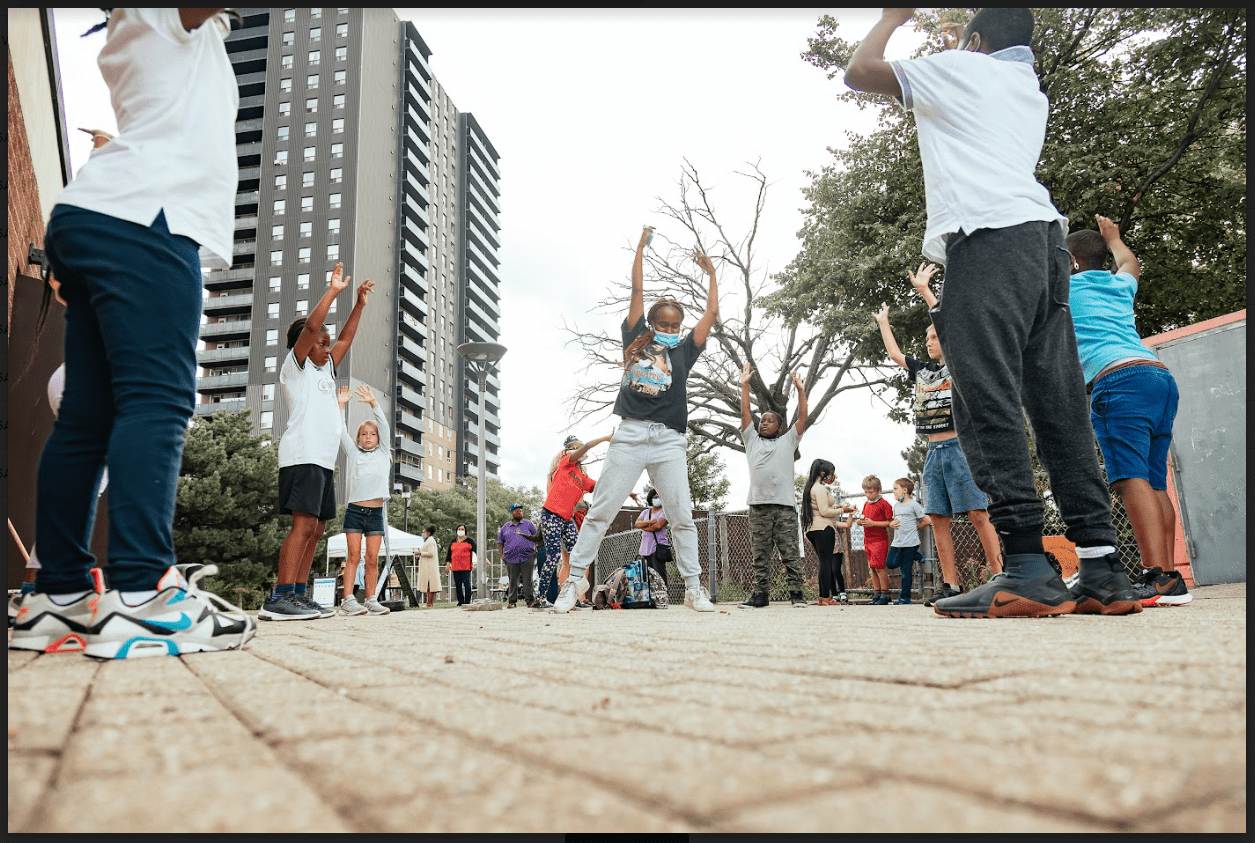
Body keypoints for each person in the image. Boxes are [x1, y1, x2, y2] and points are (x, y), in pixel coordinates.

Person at [844, 8, 1139, 617]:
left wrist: (892, 17)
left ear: (976, 43)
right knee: (1058, 401)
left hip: (987, 240)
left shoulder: (963, 70)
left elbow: (859, 70)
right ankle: (1103, 566)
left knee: (984, 398)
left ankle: (1028, 566)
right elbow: (982, 67)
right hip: (1044, 244)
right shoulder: (1026, 89)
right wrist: (965, 43)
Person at [11, 9, 258, 658]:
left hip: (96, 215)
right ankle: (145, 595)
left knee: (87, 420)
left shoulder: (146, 24)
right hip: (147, 216)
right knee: (157, 401)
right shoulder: (161, 13)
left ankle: (55, 598)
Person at [552, 226, 721, 614]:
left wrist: (710, 274)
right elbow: (637, 293)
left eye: (676, 325)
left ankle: (694, 588)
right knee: (600, 511)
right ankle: (574, 582)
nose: (670, 329)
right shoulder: (635, 339)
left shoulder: (684, 351)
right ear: (651, 324)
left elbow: (711, 314)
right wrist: (641, 250)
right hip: (628, 435)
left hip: (669, 441)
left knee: (681, 515)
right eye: (663, 324)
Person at [1067, 215, 1190, 607]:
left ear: (1070, 262)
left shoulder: (1064, 289)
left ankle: (1155, 576)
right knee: (1154, 481)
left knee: (1129, 478)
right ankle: (1170, 579)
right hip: (1158, 378)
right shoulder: (1117, 285)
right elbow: (1130, 263)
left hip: (1117, 381)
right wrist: (1114, 238)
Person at [875, 263, 1004, 605]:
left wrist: (924, 290)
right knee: (938, 519)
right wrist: (884, 323)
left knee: (978, 513)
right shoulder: (923, 371)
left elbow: (947, 324)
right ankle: (952, 584)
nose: (930, 341)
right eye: (928, 338)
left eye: (935, 336)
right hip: (934, 454)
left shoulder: (959, 364)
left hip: (961, 448)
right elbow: (893, 354)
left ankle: (1000, 575)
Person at [259, 262, 374, 621]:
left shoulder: (325, 367)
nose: (327, 348)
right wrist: (333, 292)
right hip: (301, 455)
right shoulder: (295, 368)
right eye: (320, 344)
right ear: (304, 346)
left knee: (318, 528)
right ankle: (278, 597)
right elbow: (311, 327)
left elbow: (345, 339)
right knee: (303, 525)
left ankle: (296, 594)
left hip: (323, 461)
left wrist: (358, 304)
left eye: (327, 345)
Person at [738, 364, 810, 609]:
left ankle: (797, 593)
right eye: (762, 421)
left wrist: (801, 391)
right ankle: (761, 595)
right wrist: (745, 385)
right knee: (761, 555)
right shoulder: (751, 440)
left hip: (784, 507)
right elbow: (745, 413)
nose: (764, 423)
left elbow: (802, 418)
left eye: (770, 421)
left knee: (789, 552)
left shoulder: (788, 441)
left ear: (780, 427)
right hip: (758, 507)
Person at [335, 384, 392, 617]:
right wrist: (340, 406)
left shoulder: (382, 452)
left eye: (372, 434)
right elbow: (340, 431)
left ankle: (371, 599)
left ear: (378, 438)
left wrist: (373, 403)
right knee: (353, 556)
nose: (368, 437)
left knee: (371, 559)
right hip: (355, 511)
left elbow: (385, 426)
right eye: (364, 434)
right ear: (359, 438)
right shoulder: (354, 452)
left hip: (376, 513)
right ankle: (348, 601)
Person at [537, 434, 609, 609]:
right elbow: (584, 449)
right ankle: (540, 598)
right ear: (567, 451)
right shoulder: (564, 464)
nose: (580, 450)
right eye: (575, 448)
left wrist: (625, 486)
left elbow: (599, 485)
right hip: (552, 515)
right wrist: (605, 438)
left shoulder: (580, 475)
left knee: (577, 558)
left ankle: (573, 597)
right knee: (553, 556)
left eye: (580, 447)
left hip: (567, 519)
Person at [801, 460, 856, 605]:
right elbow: (824, 511)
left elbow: (823, 506)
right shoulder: (819, 488)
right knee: (825, 564)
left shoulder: (812, 487)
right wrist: (842, 510)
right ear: (823, 473)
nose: (833, 476)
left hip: (813, 529)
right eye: (831, 473)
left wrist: (839, 506)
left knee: (823, 563)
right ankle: (825, 597)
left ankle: (823, 597)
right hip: (823, 528)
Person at [887, 478, 931, 604]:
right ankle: (917, 555)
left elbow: (927, 521)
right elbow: (894, 522)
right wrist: (891, 525)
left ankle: (905, 597)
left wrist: (916, 527)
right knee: (891, 563)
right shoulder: (896, 506)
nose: (893, 492)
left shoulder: (914, 505)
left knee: (906, 571)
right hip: (897, 542)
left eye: (896, 489)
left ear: (905, 490)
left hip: (910, 543)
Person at [857, 475, 895, 605]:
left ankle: (885, 593)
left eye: (871, 492)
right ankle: (876, 592)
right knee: (872, 567)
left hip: (880, 540)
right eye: (866, 492)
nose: (868, 495)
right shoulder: (866, 504)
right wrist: (860, 522)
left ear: (879, 490)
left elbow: (889, 523)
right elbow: (864, 518)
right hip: (868, 539)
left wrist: (873, 523)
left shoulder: (884, 504)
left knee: (879, 567)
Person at [498, 504, 541, 608]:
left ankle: (530, 601)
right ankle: (512, 601)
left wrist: (535, 550)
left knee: (528, 580)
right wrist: (501, 554)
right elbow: (500, 541)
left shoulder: (528, 524)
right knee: (512, 580)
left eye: (521, 511)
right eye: (517, 511)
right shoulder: (506, 527)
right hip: (511, 557)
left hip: (527, 556)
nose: (520, 513)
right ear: (512, 513)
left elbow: (537, 537)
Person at [635, 488, 671, 587]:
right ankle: (649, 600)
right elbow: (637, 524)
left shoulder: (664, 511)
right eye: (655, 497)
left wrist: (643, 526)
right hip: (644, 549)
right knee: (645, 577)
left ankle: (662, 598)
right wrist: (650, 522)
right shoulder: (645, 512)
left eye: (659, 497)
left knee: (659, 576)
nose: (657, 499)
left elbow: (658, 526)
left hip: (657, 548)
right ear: (651, 498)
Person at [446, 525, 475, 605]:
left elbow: (477, 550)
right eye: (459, 529)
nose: (460, 530)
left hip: (466, 566)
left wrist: (485, 560)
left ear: (465, 530)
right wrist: (448, 564)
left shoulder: (469, 541)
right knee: (458, 585)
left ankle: (467, 601)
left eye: (462, 529)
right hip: (455, 567)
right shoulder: (453, 541)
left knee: (467, 583)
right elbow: (449, 554)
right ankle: (460, 601)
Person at [415, 525, 442, 608]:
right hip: (427, 565)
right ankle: (429, 603)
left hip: (429, 566)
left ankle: (429, 603)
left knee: (429, 585)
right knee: (428, 585)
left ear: (428, 532)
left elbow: (431, 553)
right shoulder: (428, 541)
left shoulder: (430, 541)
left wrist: (420, 553)